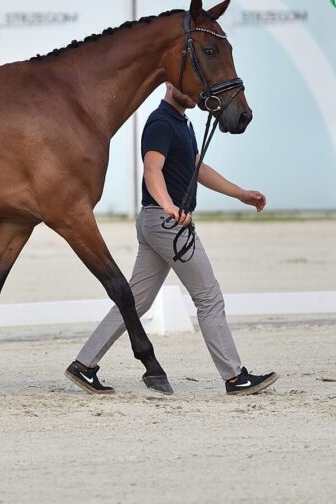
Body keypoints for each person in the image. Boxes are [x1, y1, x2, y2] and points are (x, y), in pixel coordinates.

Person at [65, 83, 278, 396]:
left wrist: (240, 194)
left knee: (135, 302)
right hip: (167, 223)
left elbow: (196, 167)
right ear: (168, 84)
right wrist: (168, 205)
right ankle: (235, 377)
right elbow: (152, 170)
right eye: (185, 87)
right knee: (208, 297)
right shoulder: (161, 123)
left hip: (157, 222)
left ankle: (83, 366)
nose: (192, 93)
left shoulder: (182, 122)